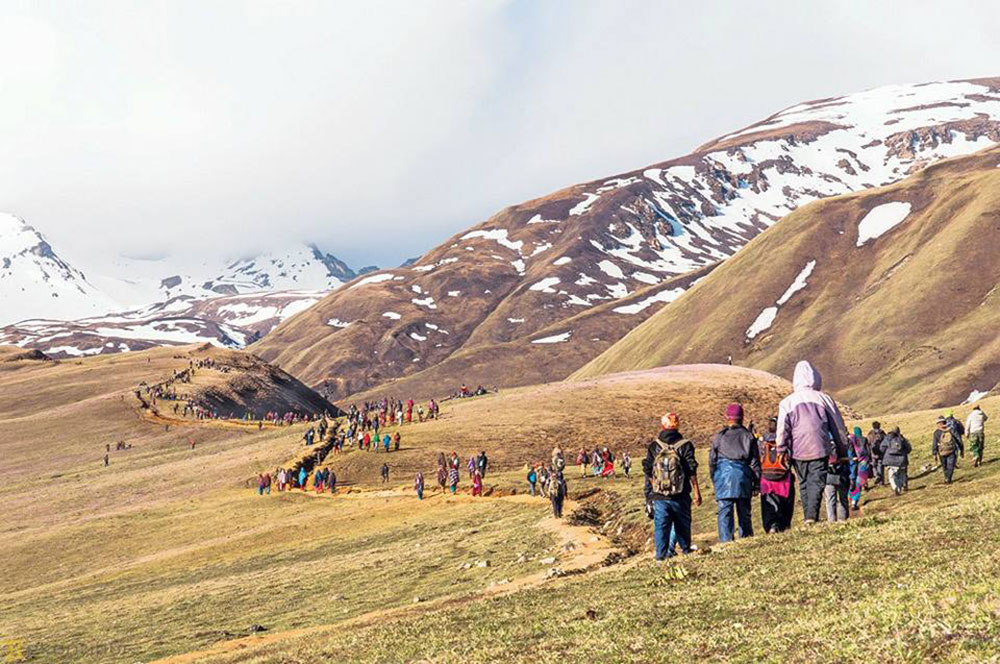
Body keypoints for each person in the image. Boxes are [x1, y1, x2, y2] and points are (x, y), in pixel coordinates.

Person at [776, 361, 848, 525]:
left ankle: (809, 516)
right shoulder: (824, 399)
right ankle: (811, 517)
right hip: (819, 447)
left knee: (804, 483)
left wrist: (781, 450)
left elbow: (782, 429)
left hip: (797, 450)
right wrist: (842, 449)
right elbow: (838, 427)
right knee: (816, 481)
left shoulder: (787, 403)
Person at [643, 412, 702, 560]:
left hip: (660, 496)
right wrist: (696, 492)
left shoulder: (654, 446)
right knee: (683, 524)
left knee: (661, 527)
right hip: (681, 494)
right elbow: (691, 469)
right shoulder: (686, 445)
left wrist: (654, 489)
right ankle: (686, 551)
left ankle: (660, 556)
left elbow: (648, 469)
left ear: (663, 426)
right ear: (678, 425)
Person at [708, 403, 760, 543]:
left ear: (727, 417)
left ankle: (726, 542)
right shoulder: (748, 436)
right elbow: (754, 462)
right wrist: (756, 483)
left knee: (724, 512)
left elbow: (712, 460)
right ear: (742, 417)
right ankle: (746, 540)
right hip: (743, 476)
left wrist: (715, 478)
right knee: (744, 512)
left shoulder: (719, 436)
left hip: (723, 476)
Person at [759, 416, 795, 533]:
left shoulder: (762, 442)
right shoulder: (787, 440)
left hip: (766, 479)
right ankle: (784, 525)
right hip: (784, 478)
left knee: (768, 504)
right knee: (785, 503)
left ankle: (771, 525)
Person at [824, 431, 851, 522]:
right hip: (842, 474)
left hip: (828, 475)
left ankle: (831, 520)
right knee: (843, 498)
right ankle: (843, 519)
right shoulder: (842, 445)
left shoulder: (822, 445)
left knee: (830, 499)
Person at [879, 426, 911, 495]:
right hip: (901, 460)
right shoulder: (902, 439)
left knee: (892, 476)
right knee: (900, 475)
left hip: (890, 460)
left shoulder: (887, 438)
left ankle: (895, 487)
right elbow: (909, 449)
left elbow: (882, 448)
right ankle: (899, 488)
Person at [933, 416, 964, 483]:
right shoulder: (951, 430)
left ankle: (946, 477)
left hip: (941, 452)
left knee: (944, 466)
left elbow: (934, 443)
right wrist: (961, 449)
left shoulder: (936, 432)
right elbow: (957, 440)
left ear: (938, 423)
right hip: (951, 450)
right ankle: (948, 478)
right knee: (951, 465)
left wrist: (934, 453)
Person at [847, 427, 871, 510]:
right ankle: (854, 502)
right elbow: (868, 451)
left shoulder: (851, 440)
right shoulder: (864, 439)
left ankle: (850, 498)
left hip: (852, 462)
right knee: (859, 483)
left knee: (851, 481)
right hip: (863, 462)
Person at [866, 421, 887, 485]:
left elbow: (868, 444)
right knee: (880, 466)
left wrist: (868, 453)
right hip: (881, 452)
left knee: (874, 466)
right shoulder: (882, 433)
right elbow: (886, 442)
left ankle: (877, 476)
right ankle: (881, 482)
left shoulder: (870, 434)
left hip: (873, 453)